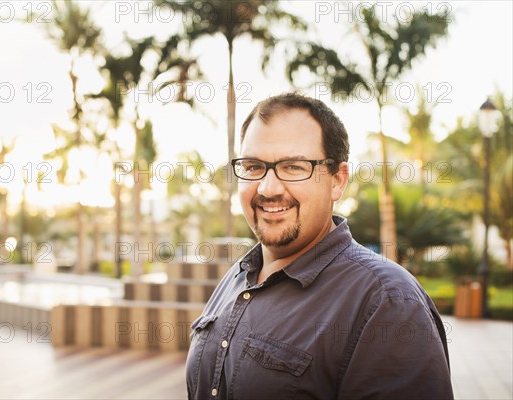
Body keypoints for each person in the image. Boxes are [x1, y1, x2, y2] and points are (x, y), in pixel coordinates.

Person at [185, 93, 453, 399]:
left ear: (337, 180)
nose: (268, 188)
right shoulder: (237, 276)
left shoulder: (387, 303)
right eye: (253, 166)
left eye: (294, 167)